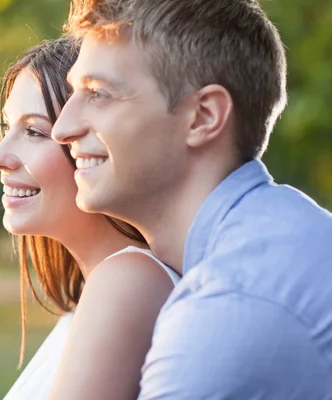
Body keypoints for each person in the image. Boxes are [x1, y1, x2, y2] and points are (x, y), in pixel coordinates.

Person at [52, 0, 332, 397]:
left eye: (98, 94)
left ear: (203, 116)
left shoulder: (227, 309)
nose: (62, 128)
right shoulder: (281, 233)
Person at [0, 37, 179, 400]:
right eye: (6, 127)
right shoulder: (97, 294)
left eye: (34, 132)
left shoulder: (128, 282)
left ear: (93, 148)